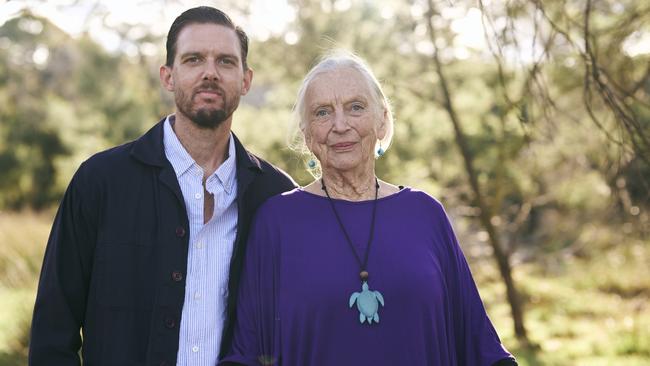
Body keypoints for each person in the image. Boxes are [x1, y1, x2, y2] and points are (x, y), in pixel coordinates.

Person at [28, 6, 295, 366]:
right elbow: (52, 332)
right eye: (194, 59)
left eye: (225, 62)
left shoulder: (275, 196)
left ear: (246, 80)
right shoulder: (100, 182)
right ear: (168, 76)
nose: (210, 73)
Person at [219, 51, 517, 366]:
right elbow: (248, 350)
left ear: (382, 120)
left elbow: (479, 342)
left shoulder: (425, 214)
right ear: (306, 135)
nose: (340, 125)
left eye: (356, 107)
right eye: (322, 113)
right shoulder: (276, 222)